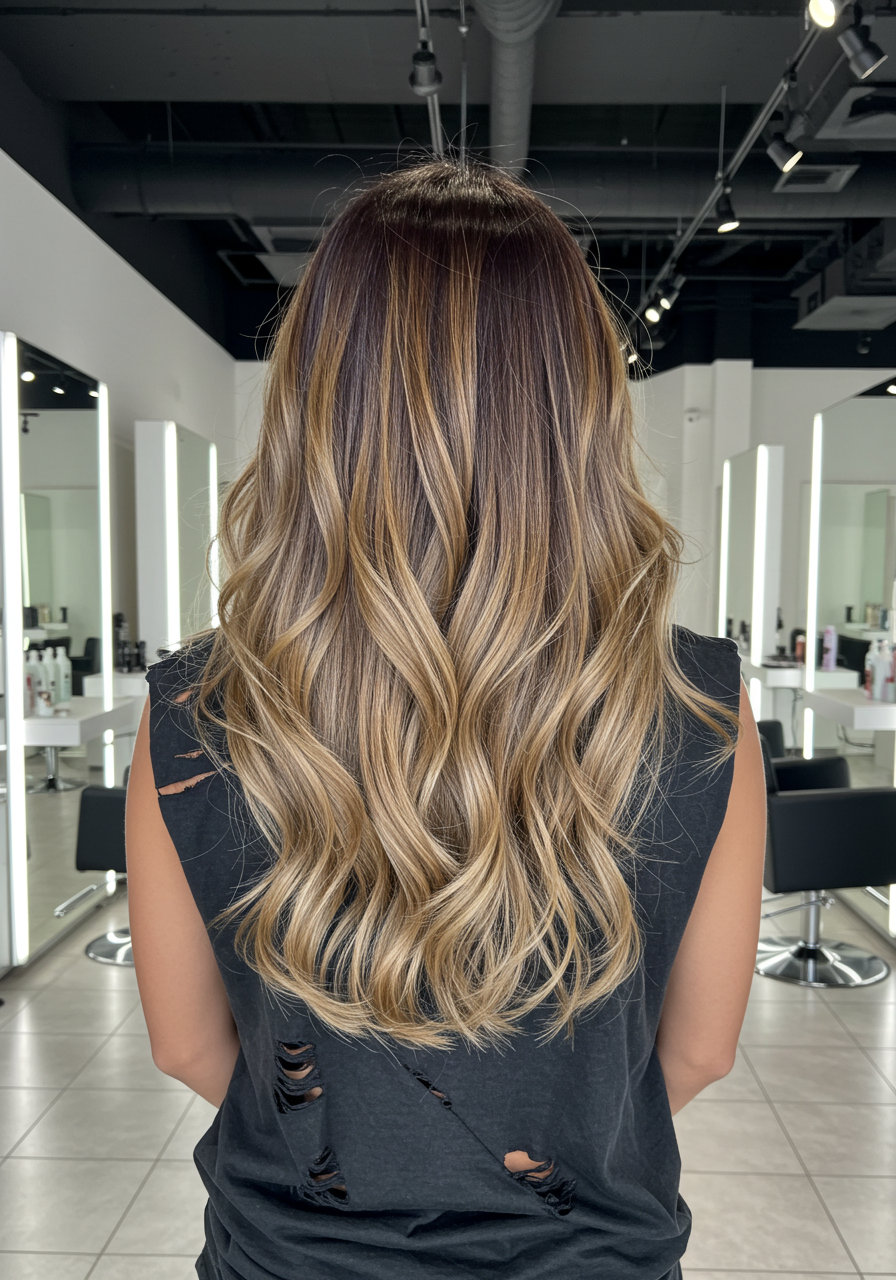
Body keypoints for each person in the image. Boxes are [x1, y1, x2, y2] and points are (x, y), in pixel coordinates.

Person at [126, 158, 766, 1280]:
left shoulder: (197, 706)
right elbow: (700, 1048)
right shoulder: (697, 702)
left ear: (321, 392)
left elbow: (186, 1043)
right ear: (575, 400)